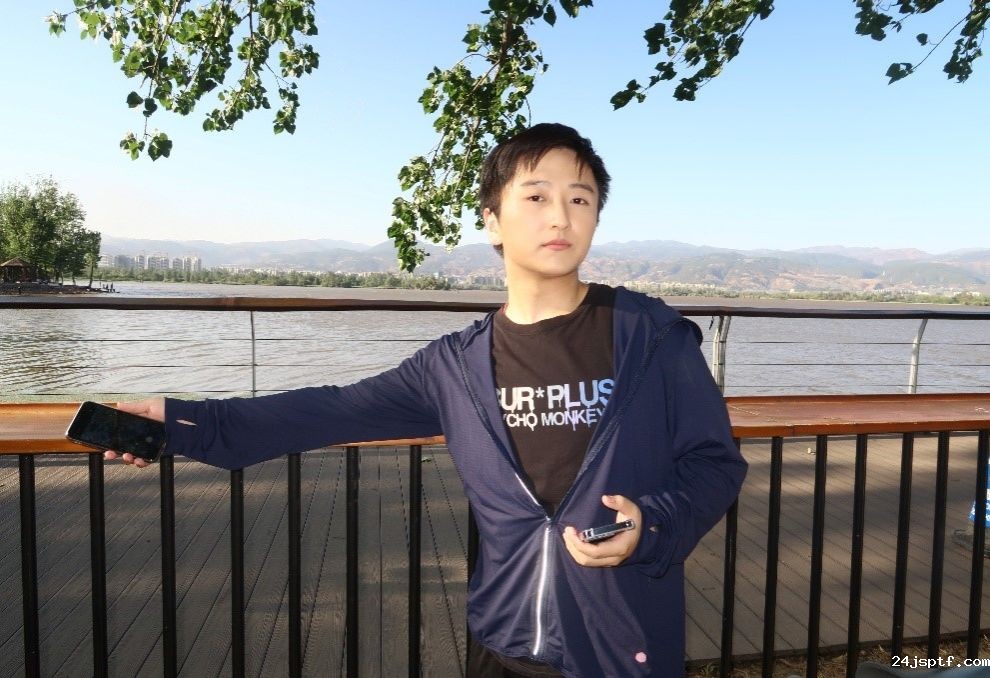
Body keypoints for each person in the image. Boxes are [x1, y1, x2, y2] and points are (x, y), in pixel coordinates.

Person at [106, 123, 748, 677]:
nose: (560, 216)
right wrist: (179, 422)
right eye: (536, 196)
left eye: (580, 199)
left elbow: (714, 464)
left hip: (621, 646)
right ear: (492, 220)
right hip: (500, 641)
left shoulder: (651, 338)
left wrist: (650, 525)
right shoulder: (455, 366)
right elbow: (331, 409)